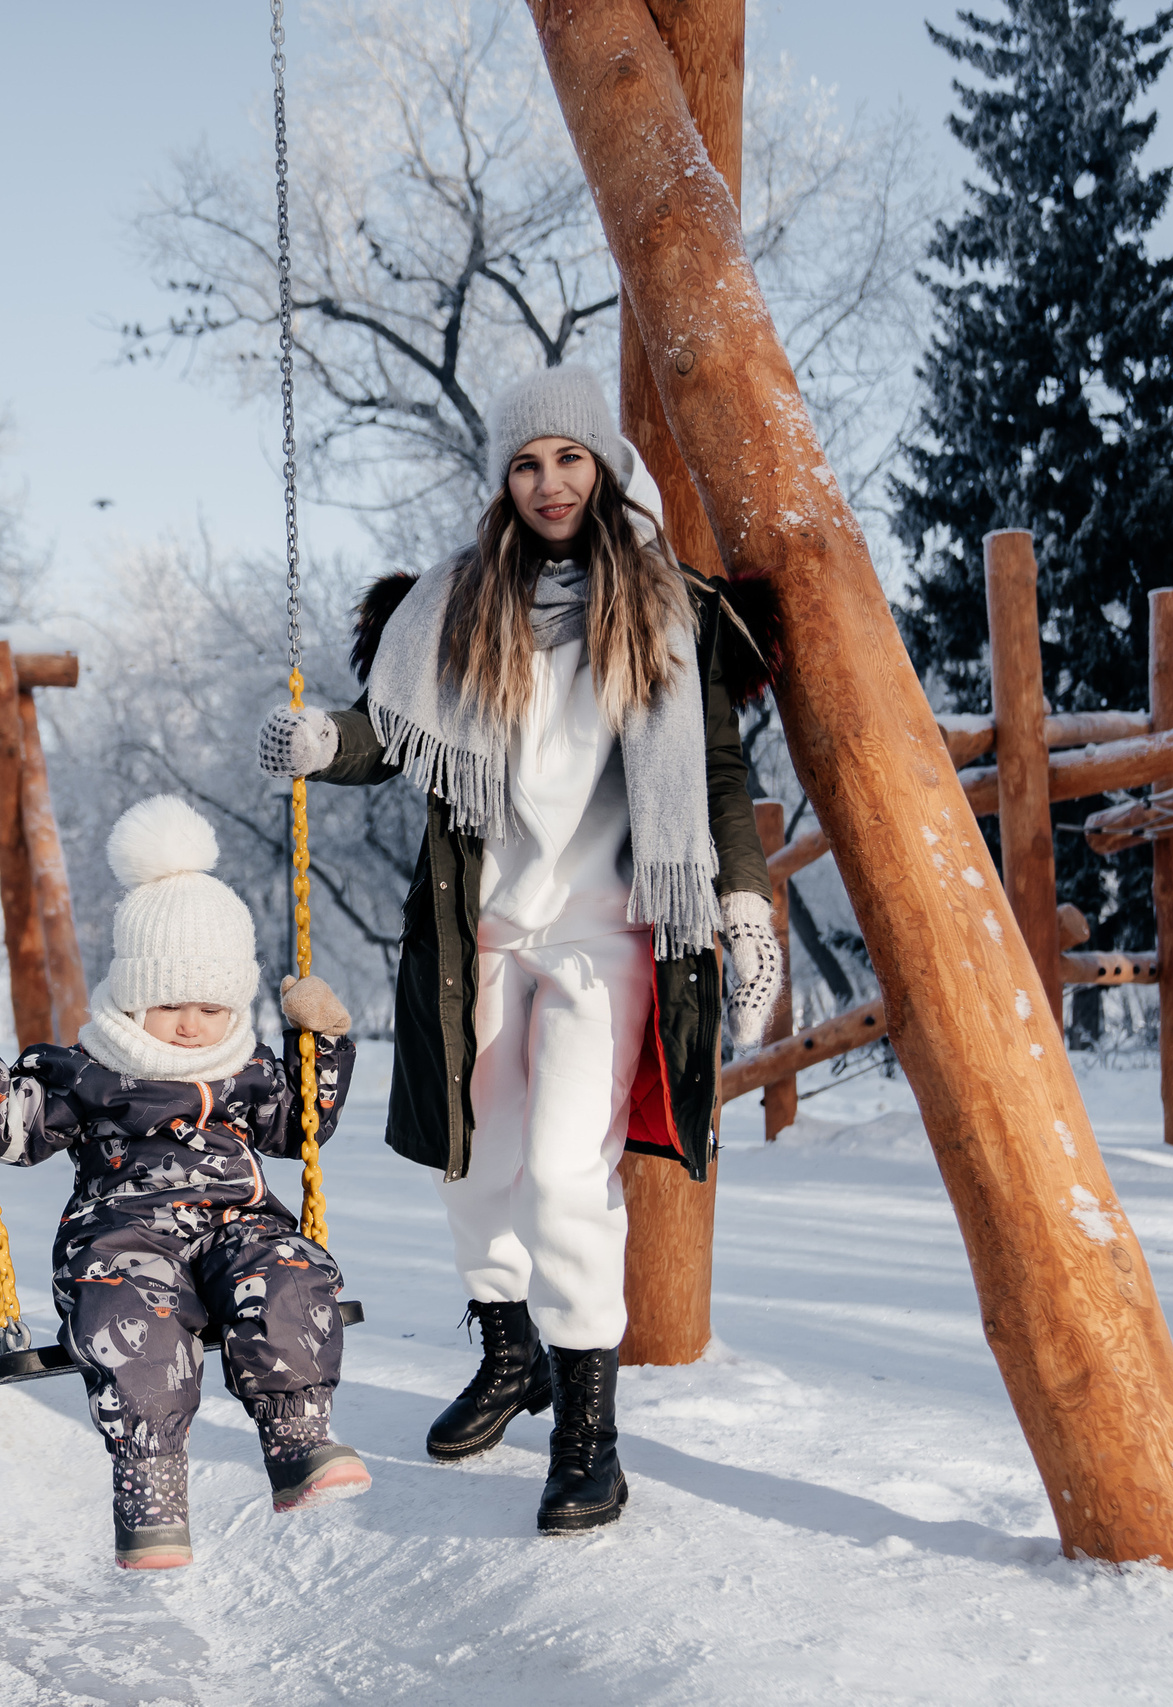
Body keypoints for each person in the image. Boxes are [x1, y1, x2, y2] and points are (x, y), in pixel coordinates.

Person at [257, 364, 780, 1535]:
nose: (548, 482)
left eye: (569, 458)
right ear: (501, 479)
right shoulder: (454, 604)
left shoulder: (665, 607)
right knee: (474, 1161)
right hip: (479, 931)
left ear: (601, 470)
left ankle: (589, 1435)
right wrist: (317, 740)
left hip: (606, 936)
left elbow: (719, 775)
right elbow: (392, 737)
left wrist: (740, 903)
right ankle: (510, 1356)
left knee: (562, 1174)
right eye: (526, 463)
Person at [0, 796, 367, 1571]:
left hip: (240, 1225)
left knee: (292, 1271)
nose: (191, 1024)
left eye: (209, 1004)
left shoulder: (251, 1068)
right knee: (127, 1312)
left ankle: (299, 1438)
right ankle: (150, 1488)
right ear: (131, 994)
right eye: (167, 1003)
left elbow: (303, 1127)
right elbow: (13, 1126)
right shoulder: (90, 1070)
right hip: (124, 1235)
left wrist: (323, 1046)